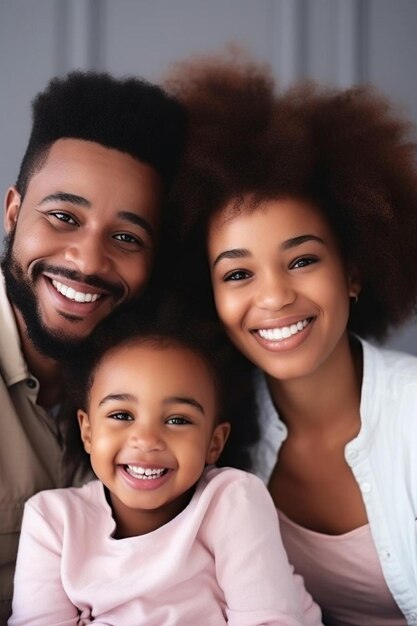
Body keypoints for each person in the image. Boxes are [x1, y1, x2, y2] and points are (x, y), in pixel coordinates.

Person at [165, 55, 417, 625]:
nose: (275, 298)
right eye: (237, 273)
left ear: (354, 271)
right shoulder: (213, 431)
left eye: (301, 260)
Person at [0, 70, 186, 622]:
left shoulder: (165, 384)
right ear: (13, 214)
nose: (86, 260)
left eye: (126, 237)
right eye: (63, 217)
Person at [9, 315, 322, 625]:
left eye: (177, 420)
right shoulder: (53, 521)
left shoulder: (231, 502)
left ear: (214, 442)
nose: (146, 440)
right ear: (87, 432)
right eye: (121, 415)